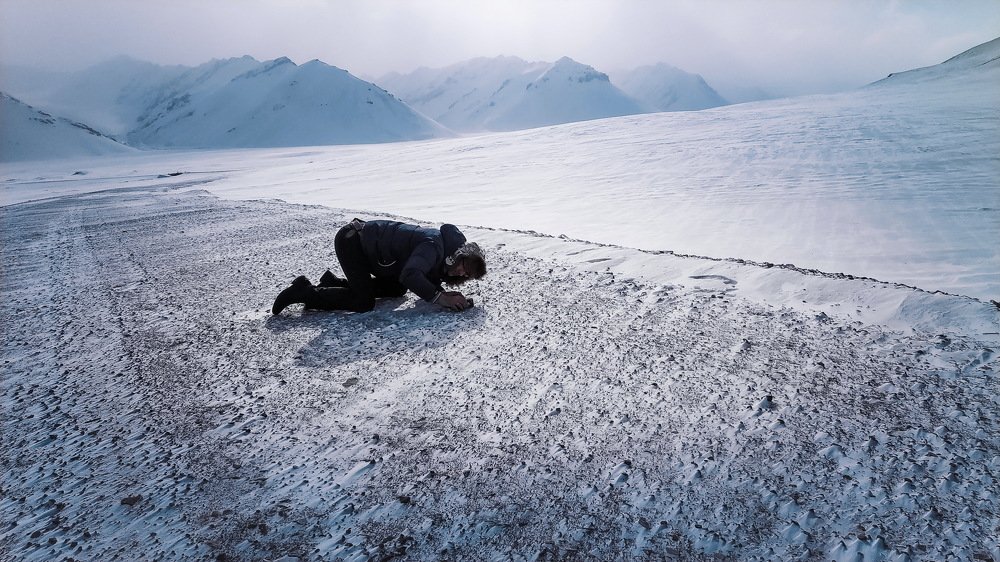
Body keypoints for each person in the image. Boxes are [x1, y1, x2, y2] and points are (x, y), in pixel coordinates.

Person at [272, 218, 486, 315]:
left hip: (372, 252)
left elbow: (421, 276)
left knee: (397, 288)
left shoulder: (443, 253)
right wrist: (441, 298)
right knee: (362, 302)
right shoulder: (434, 245)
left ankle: (333, 283)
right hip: (353, 242)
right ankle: (304, 291)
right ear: (457, 256)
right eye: (463, 265)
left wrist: (443, 293)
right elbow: (412, 274)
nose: (460, 272)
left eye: (465, 274)